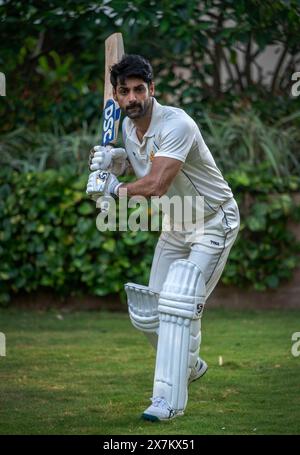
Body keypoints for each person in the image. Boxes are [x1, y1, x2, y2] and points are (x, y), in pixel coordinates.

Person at [86, 54, 240, 421]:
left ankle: (167, 402)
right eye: (125, 92)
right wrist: (116, 160)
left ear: (152, 89)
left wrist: (113, 188)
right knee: (149, 313)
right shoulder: (127, 127)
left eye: (140, 89)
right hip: (177, 223)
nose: (133, 97)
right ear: (117, 96)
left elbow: (156, 183)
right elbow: (143, 163)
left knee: (178, 301)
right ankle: (189, 364)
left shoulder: (177, 124)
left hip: (213, 220)